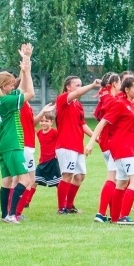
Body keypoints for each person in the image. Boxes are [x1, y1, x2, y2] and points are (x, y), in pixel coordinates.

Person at [85, 76, 134, 225]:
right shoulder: (120, 104)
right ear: (127, 89)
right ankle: (124, 217)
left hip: (125, 148)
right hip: (123, 148)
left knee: (121, 182)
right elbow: (103, 122)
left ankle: (115, 218)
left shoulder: (130, 104)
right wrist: (91, 142)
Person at [0, 43, 36, 224]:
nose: (13, 86)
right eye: (11, 84)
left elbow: (22, 88)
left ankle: (4, 214)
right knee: (25, 180)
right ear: (5, 85)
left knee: (7, 180)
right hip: (12, 143)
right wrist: (26, 71)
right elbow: (30, 92)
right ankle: (11, 214)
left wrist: (26, 62)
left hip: (2, 144)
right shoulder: (9, 101)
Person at [54, 75, 101, 214]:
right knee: (67, 175)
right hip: (66, 144)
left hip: (77, 145)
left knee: (80, 176)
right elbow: (77, 93)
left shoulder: (77, 105)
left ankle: (69, 205)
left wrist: (95, 138)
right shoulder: (63, 98)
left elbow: (82, 125)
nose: (80, 88)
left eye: (81, 85)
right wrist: (92, 85)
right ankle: (61, 208)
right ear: (68, 87)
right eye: (77, 85)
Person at [91, 72, 121, 223]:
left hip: (105, 143)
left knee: (114, 178)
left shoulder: (104, 98)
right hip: (112, 142)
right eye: (120, 81)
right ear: (115, 83)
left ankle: (109, 214)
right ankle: (101, 213)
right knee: (113, 179)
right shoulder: (112, 100)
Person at [34, 111, 60, 191]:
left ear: (51, 122)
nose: (43, 123)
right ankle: (26, 202)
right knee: (33, 181)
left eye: (46, 121)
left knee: (59, 184)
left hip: (53, 162)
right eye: (41, 121)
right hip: (42, 162)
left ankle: (64, 202)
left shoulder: (55, 133)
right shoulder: (39, 133)